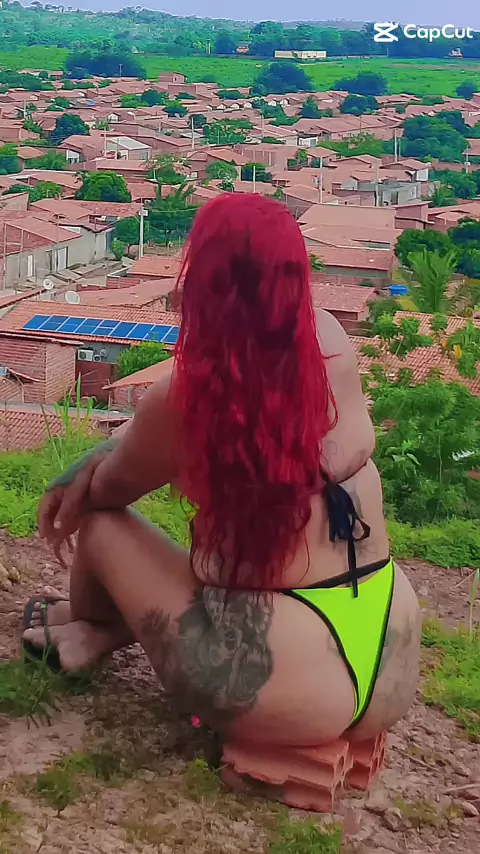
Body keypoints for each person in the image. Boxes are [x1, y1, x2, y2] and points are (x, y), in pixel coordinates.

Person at [23, 194, 421, 752]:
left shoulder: (188, 400)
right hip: (387, 654)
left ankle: (95, 627)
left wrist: (78, 472)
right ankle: (102, 629)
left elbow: (109, 488)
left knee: (103, 526)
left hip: (272, 687)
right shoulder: (333, 342)